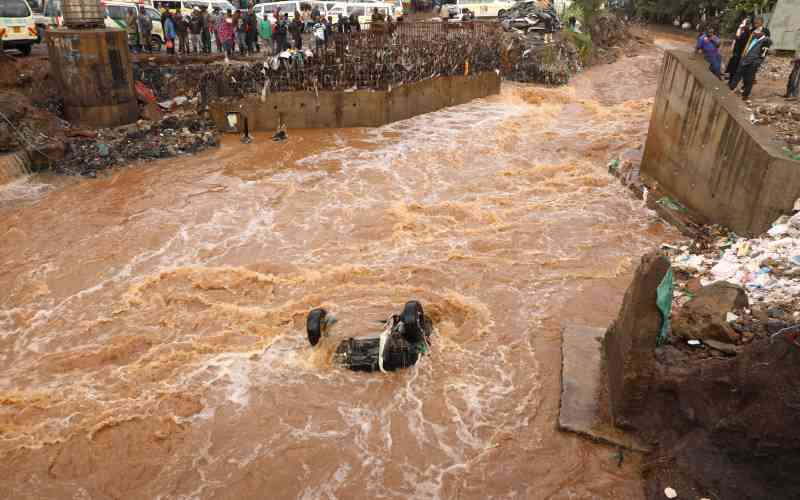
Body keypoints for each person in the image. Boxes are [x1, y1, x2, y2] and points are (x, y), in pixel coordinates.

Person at [729, 25, 772, 101]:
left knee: (749, 79)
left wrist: (756, 63)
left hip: (752, 63)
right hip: (745, 60)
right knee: (737, 75)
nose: (755, 32)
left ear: (763, 33)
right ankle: (730, 88)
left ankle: (745, 95)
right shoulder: (754, 38)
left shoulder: (766, 41)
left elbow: (762, 55)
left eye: (758, 31)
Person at [785, 28, 800, 99]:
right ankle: (789, 93)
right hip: (797, 62)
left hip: (798, 62)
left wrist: (795, 59)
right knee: (792, 77)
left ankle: (793, 95)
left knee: (795, 79)